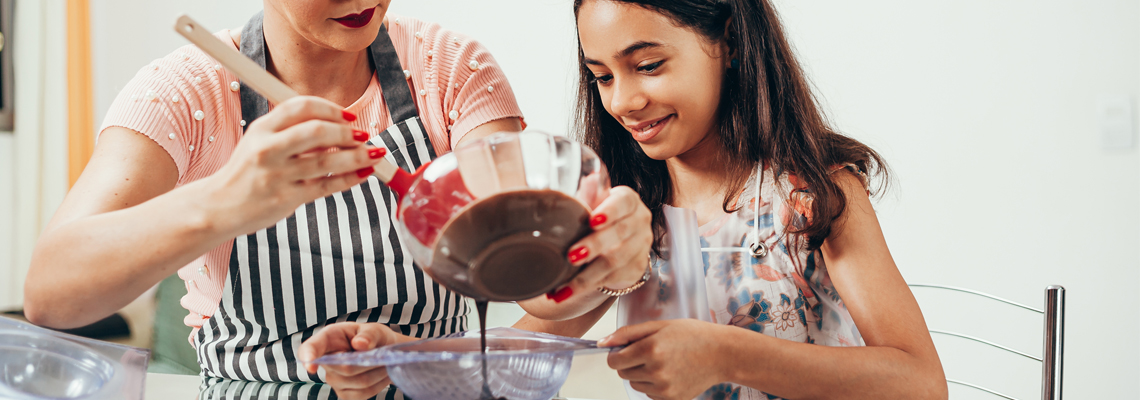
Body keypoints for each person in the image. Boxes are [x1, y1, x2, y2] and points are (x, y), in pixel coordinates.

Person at [23, 1, 652, 398]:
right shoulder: (184, 93)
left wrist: (604, 259)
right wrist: (224, 201)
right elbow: (53, 294)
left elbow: (526, 276)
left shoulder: (450, 70)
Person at [531, 0, 950, 399]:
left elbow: (920, 384)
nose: (622, 101)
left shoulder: (813, 195)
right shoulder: (629, 218)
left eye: (648, 66)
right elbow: (522, 343)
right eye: (603, 77)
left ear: (729, 43)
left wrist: (726, 356)